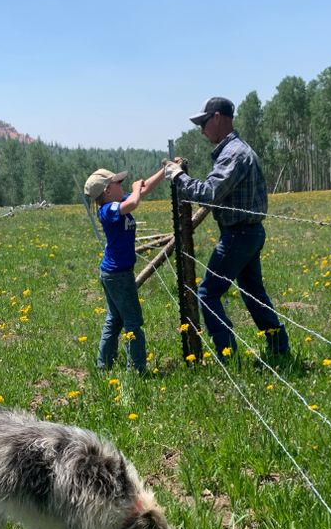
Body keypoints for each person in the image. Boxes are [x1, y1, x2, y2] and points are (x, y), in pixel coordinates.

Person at [164, 96, 289, 361]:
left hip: (238, 235)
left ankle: (227, 354)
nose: (202, 130)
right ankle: (279, 349)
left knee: (208, 292)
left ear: (218, 118)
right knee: (253, 293)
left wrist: (178, 176)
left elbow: (209, 193)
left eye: (204, 122)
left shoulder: (232, 154)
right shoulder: (238, 150)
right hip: (249, 233)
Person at [84, 165, 167, 373]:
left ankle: (104, 364)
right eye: (118, 183)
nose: (122, 186)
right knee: (133, 322)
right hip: (118, 275)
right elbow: (133, 202)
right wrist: (136, 188)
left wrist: (165, 170)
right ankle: (137, 369)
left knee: (115, 319)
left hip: (115, 273)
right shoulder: (107, 210)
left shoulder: (117, 203)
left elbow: (143, 190)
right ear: (107, 190)